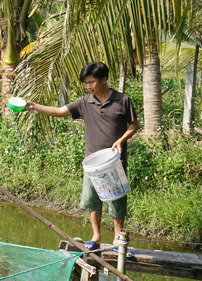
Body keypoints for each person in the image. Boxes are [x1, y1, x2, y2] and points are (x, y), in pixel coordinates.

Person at [24, 62, 139, 250]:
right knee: (93, 201)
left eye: (91, 82)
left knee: (116, 200)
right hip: (92, 163)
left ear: (104, 79)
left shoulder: (122, 100)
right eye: (85, 83)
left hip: (113, 162)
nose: (88, 87)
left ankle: (118, 239)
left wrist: (121, 141)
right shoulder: (85, 102)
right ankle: (96, 237)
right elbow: (60, 112)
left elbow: (134, 125)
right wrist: (34, 106)